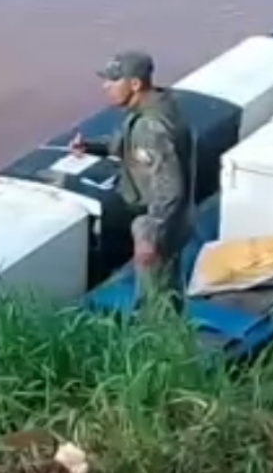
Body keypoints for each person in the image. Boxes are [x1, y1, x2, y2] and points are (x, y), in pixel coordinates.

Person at [69, 51, 194, 312]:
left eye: (113, 81)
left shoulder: (151, 127)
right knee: (163, 288)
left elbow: (170, 189)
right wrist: (91, 146)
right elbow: (128, 145)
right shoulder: (155, 105)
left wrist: (150, 234)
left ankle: (158, 332)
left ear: (135, 84)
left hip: (159, 223)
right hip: (167, 219)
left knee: (155, 296)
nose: (106, 86)